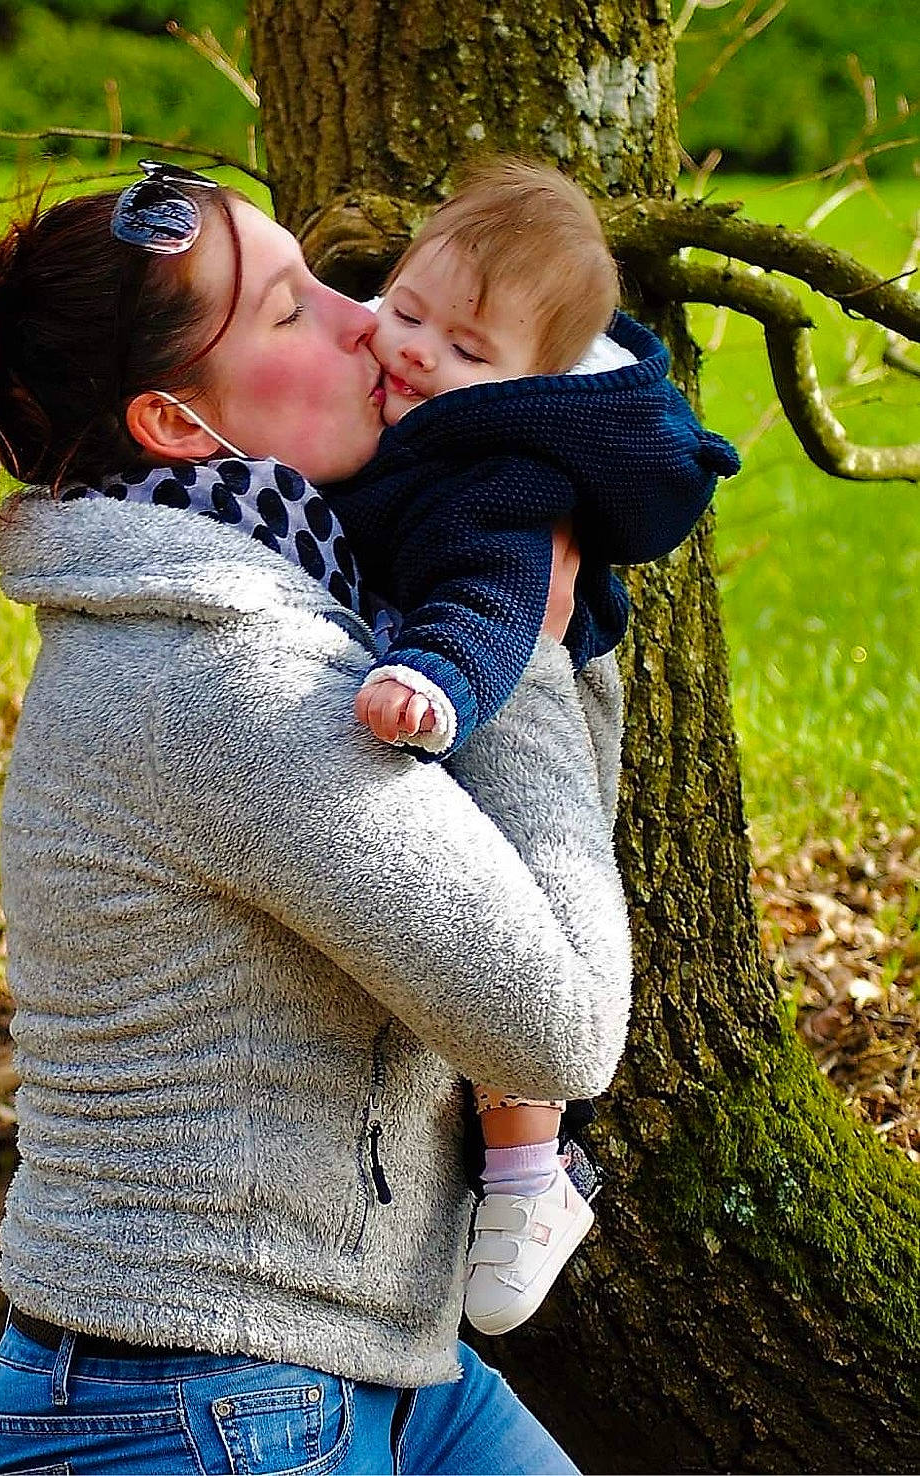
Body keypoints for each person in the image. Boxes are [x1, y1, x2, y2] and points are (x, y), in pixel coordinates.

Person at [0, 160, 634, 1475]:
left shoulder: (285, 590)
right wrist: (532, 656)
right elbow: (556, 1023)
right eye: (287, 312)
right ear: (175, 425)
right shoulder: (233, 682)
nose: (362, 322)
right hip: (190, 1401)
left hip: (360, 1366)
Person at [318, 156, 741, 1339]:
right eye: (406, 310)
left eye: (464, 349)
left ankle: (527, 1181)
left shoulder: (503, 472)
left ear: (534, 383)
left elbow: (498, 601)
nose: (414, 353)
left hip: (512, 690)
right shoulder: (415, 397)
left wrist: (433, 679)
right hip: (449, 663)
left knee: (525, 901)